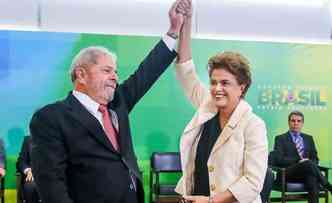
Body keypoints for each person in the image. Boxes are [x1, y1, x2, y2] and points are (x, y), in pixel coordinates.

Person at [29, 1, 189, 202]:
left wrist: (174, 30)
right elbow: (51, 183)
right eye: (106, 70)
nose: (114, 77)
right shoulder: (51, 117)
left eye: (115, 71)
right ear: (81, 74)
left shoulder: (118, 104)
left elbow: (148, 71)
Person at [174, 4, 268, 203]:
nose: (217, 89)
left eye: (225, 83)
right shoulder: (206, 106)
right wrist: (187, 21)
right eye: (214, 82)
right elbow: (185, 70)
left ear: (242, 87)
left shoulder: (253, 125)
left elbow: (252, 183)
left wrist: (210, 201)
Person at [273, 110, 332, 203]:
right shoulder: (280, 138)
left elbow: (315, 159)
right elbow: (279, 160)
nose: (295, 123)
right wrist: (299, 161)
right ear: (289, 122)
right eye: (293, 121)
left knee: (312, 179)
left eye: (298, 121)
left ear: (302, 123)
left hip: (305, 174)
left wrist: (307, 163)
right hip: (287, 173)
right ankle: (328, 185)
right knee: (307, 163)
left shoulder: (309, 138)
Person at [16, 135, 41, 203]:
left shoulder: (57, 139)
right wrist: (27, 170)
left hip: (52, 177)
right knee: (30, 186)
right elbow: (21, 161)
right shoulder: (28, 139)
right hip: (33, 178)